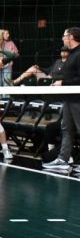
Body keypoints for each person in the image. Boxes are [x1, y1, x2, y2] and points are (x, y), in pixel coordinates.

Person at [43, 27, 80, 175]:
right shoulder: (72, 55)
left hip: (77, 98)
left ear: (71, 37)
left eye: (64, 36)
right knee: (66, 129)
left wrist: (63, 83)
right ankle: (63, 160)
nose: (62, 38)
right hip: (68, 98)